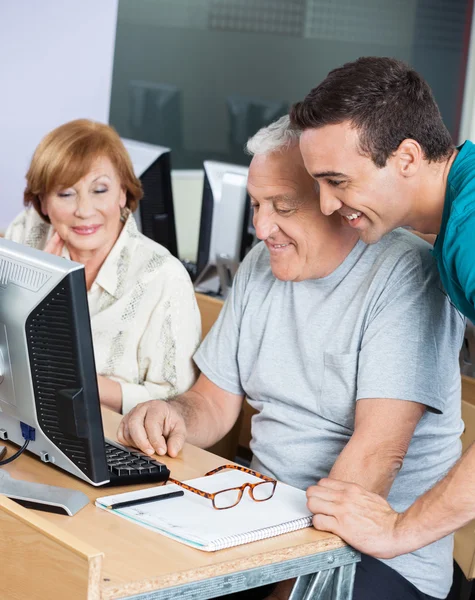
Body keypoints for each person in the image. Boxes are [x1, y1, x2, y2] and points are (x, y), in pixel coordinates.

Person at [117, 116, 465, 600]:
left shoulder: (406, 275)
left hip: (377, 556)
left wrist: (279, 575)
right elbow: (214, 403)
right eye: (257, 206)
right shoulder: (262, 265)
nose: (261, 228)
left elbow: (376, 459)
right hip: (258, 524)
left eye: (283, 207)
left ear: (336, 205)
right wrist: (171, 414)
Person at [289, 56, 475, 563]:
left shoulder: (468, 235)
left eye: (338, 181)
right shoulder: (458, 207)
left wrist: (399, 531)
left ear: (408, 158)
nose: (326, 205)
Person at [6, 119, 200, 414]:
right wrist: (37, 289)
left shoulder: (163, 277)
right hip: (23, 417)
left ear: (123, 193)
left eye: (99, 190)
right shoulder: (26, 234)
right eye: (65, 194)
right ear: (43, 202)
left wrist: (78, 383)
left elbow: (175, 403)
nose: (84, 211)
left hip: (120, 440)